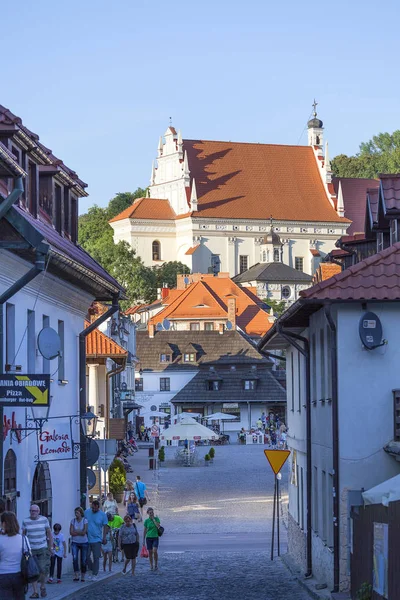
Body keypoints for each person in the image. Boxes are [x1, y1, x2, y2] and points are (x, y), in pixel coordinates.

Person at [22, 504, 53, 599]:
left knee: (43, 569)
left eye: (35, 511)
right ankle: (35, 592)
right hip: (30, 550)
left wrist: (50, 547)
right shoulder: (25, 521)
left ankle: (42, 586)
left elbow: (49, 534)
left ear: (38, 511)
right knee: (32, 571)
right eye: (31, 511)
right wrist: (23, 549)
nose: (33, 512)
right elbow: (23, 536)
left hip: (42, 548)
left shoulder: (44, 520)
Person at [0, 511, 26, 600]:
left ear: (3, 524)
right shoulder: (23, 539)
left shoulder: (0, 539)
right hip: (19, 574)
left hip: (3, 574)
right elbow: (26, 556)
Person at [84, 500, 108, 582]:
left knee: (96, 557)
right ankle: (91, 569)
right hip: (87, 539)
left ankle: (95, 574)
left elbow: (105, 526)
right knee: (86, 556)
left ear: (98, 507)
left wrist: (104, 537)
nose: (93, 509)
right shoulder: (86, 512)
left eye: (95, 508)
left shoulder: (102, 515)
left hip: (97, 539)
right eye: (92, 508)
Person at [70, 506, 88, 582]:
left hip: (84, 542)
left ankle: (83, 575)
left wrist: (76, 531)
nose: (76, 514)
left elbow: (84, 532)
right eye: (75, 513)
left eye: (77, 513)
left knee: (83, 560)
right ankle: (76, 574)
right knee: (74, 559)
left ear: (81, 513)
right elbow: (71, 532)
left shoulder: (85, 521)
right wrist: (79, 532)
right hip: (75, 542)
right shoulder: (73, 521)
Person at [143, 507, 161, 572]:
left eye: (152, 512)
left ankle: (156, 564)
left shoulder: (156, 519)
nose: (151, 514)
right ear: (148, 513)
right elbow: (144, 531)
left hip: (155, 537)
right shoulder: (146, 521)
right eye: (150, 513)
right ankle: (151, 565)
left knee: (155, 551)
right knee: (150, 552)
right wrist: (143, 540)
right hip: (148, 538)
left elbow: (158, 526)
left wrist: (154, 520)